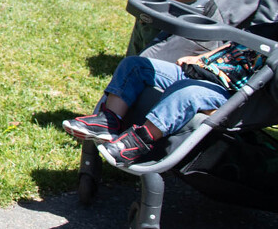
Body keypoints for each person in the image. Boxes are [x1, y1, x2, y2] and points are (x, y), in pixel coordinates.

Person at [62, 25, 278, 166]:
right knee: (136, 65)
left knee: (188, 93)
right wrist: (201, 57)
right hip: (198, 70)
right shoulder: (265, 28)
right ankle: (108, 120)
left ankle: (139, 141)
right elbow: (229, 46)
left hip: (224, 91)